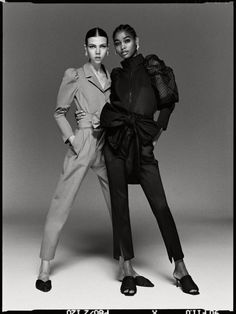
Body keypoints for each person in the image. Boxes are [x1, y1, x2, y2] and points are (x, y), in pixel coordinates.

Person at [36, 27, 152, 293]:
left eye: (101, 46)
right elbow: (59, 112)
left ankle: (127, 268)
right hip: (84, 142)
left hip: (107, 144)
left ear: (107, 50)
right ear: (85, 49)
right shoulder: (74, 75)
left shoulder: (112, 77)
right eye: (92, 46)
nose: (97, 51)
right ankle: (44, 268)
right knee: (61, 202)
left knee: (118, 203)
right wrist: (73, 139)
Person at [98, 24, 200, 296]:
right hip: (117, 145)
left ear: (137, 42)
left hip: (142, 146)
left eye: (127, 41)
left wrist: (157, 133)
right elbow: (108, 105)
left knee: (161, 206)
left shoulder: (153, 67)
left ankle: (180, 268)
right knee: (120, 206)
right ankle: (128, 269)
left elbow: (168, 102)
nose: (122, 47)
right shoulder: (117, 74)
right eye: (117, 43)